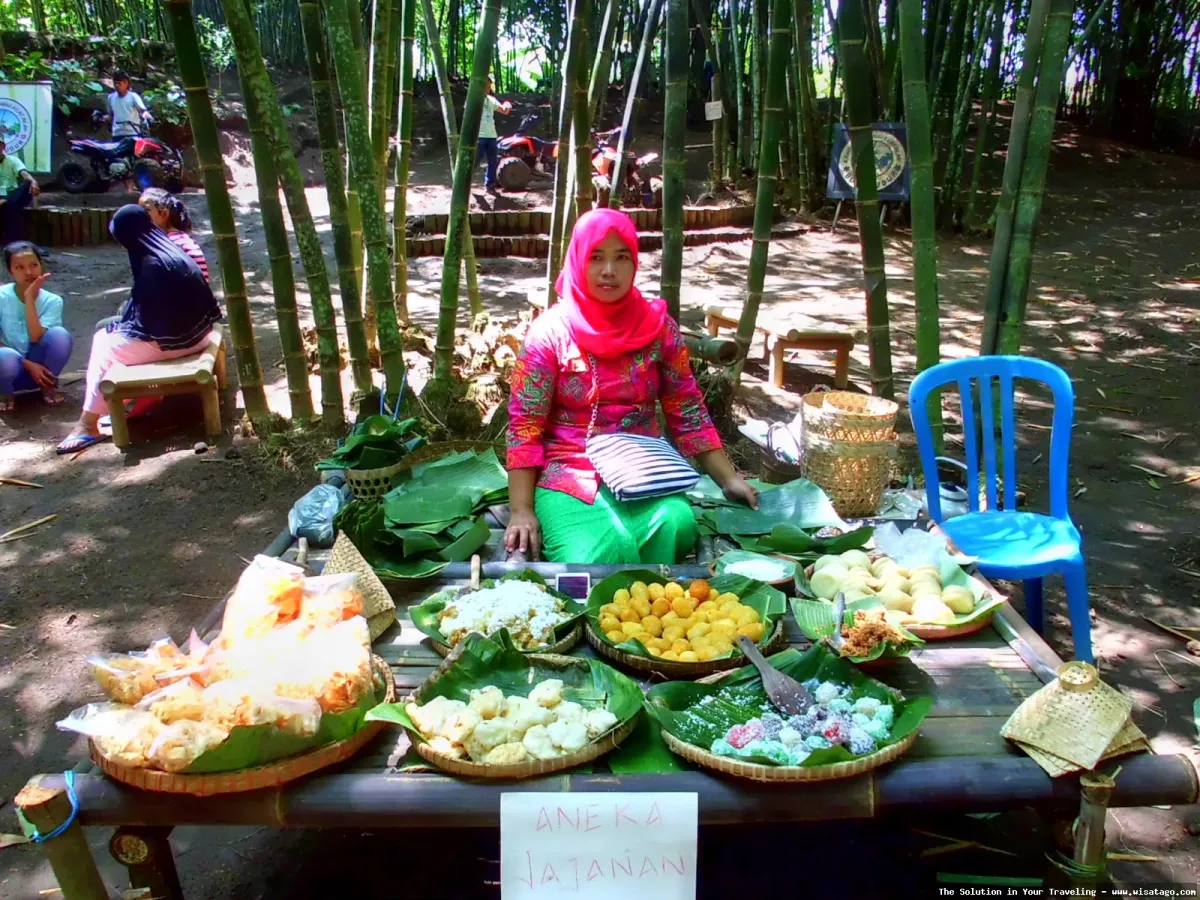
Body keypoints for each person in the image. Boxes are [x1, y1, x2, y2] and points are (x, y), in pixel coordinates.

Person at [504, 208, 758, 564]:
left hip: (643, 468)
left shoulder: (658, 328)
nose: (609, 270)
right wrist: (521, 510)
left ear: (635, 262)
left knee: (676, 524)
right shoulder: (549, 333)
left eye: (621, 257)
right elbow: (525, 427)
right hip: (570, 471)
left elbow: (686, 407)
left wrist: (728, 479)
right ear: (578, 260)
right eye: (596, 257)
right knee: (597, 552)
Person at [57, 205, 221, 454]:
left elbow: (153, 328)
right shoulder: (170, 249)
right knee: (114, 334)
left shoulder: (152, 264)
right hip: (200, 333)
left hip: (179, 342)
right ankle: (125, 404)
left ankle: (87, 424)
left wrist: (121, 329)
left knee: (104, 342)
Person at [0, 242, 72, 411]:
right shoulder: (2, 297)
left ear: (41, 266)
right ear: (10, 271)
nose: (28, 272)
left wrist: (30, 299)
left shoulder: (52, 301)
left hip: (39, 371)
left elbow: (35, 337)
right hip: (7, 367)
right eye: (19, 267)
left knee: (60, 335)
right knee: (7, 355)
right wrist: (28, 364)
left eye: (34, 265)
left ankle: (47, 386)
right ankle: (4, 392)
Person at [139, 188, 208, 282]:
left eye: (146, 210)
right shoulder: (166, 241)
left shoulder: (178, 244)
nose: (140, 214)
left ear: (164, 213)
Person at [105, 72, 152, 192]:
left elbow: (143, 111)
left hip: (132, 133)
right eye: (115, 83)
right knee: (120, 160)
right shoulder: (111, 98)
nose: (117, 85)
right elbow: (110, 115)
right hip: (117, 133)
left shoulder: (133, 97)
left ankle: (136, 185)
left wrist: (147, 116)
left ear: (126, 83)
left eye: (119, 83)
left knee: (134, 160)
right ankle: (128, 189)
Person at [0, 139, 40, 245]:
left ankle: (7, 201)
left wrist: (33, 182)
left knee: (27, 185)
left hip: (12, 194)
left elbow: (24, 174)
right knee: (11, 208)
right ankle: (13, 240)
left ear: (3, 147)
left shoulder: (12, 160)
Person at [476, 77, 512, 193]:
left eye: (489, 86)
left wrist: (507, 104)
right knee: (474, 161)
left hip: (491, 136)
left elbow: (504, 110)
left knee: (493, 162)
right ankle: (463, 185)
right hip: (478, 136)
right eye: (486, 86)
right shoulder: (473, 99)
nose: (488, 88)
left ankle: (489, 185)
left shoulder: (491, 99)